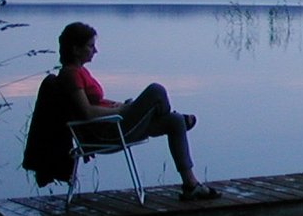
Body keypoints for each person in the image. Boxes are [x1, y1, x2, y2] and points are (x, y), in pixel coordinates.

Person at [58, 21, 220, 201]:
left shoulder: (80, 72)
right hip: (106, 133)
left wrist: (118, 105)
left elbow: (96, 102)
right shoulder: (71, 75)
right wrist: (123, 110)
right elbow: (87, 113)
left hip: (114, 125)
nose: (95, 51)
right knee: (156, 90)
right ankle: (169, 114)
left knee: (175, 122)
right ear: (75, 49)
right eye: (90, 46)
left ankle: (191, 184)